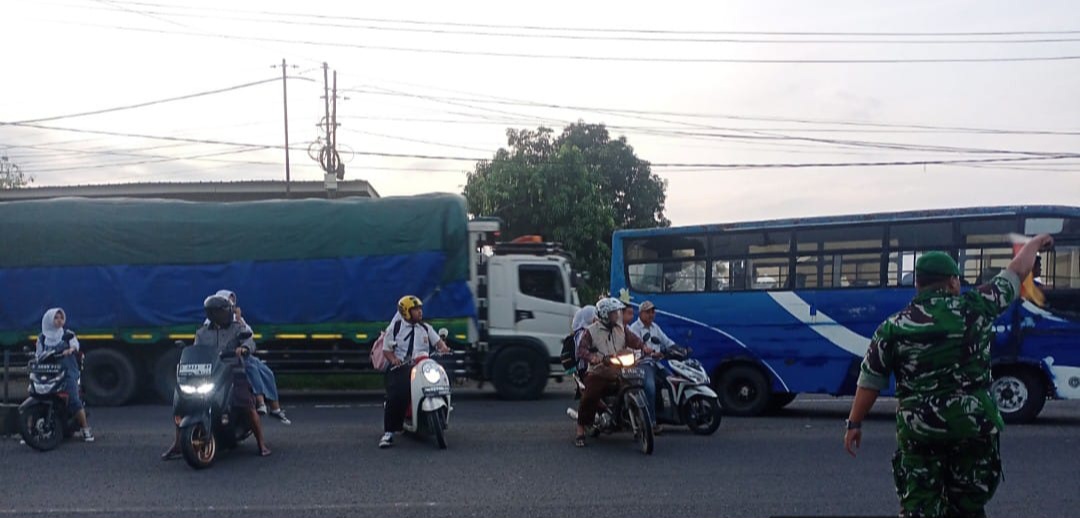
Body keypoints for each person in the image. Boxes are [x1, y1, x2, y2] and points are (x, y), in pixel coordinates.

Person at [844, 234, 1054, 518]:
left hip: (920, 430)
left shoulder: (893, 327)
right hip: (972, 426)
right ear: (953, 281)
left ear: (918, 284)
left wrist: (854, 423)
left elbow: (869, 380)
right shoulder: (976, 308)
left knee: (919, 506)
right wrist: (1035, 243)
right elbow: (1017, 270)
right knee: (968, 506)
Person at [163, 295, 271, 459]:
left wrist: (243, 349)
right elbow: (196, 350)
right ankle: (178, 444)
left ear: (227, 312)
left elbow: (250, 341)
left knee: (246, 404)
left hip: (233, 370)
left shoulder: (237, 328)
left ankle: (261, 443)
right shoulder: (202, 332)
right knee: (180, 405)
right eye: (213, 312)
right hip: (209, 373)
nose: (217, 315)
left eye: (220, 312)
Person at [573, 297, 650, 447]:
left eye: (617, 313)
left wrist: (644, 347)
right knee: (590, 396)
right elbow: (581, 350)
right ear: (604, 314)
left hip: (619, 369)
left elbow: (633, 339)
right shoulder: (591, 331)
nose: (617, 316)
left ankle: (632, 417)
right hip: (598, 371)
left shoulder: (620, 328)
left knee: (635, 384)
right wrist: (593, 357)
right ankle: (580, 429)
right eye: (614, 313)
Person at [378, 295, 449, 449]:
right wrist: (394, 360)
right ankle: (389, 433)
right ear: (406, 312)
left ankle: (443, 410)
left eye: (420, 309)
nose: (420, 312)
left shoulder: (425, 328)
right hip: (402, 366)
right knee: (397, 394)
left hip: (423, 365)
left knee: (442, 378)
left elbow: (438, 343)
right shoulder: (395, 328)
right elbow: (386, 350)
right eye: (415, 309)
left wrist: (444, 348)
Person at [213, 290, 290, 424]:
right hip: (219, 360)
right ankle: (260, 402)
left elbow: (249, 336)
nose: (231, 305)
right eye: (228, 302)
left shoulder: (236, 320)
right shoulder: (209, 323)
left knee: (266, 371)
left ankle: (275, 408)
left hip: (238, 356)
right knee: (252, 367)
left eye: (233, 302)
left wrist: (239, 322)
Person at [36, 308, 94, 442]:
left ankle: (85, 429)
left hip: (67, 371)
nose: (59, 320)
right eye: (56, 318)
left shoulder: (68, 334)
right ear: (49, 320)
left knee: (73, 399)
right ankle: (31, 430)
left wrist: (71, 350)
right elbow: (38, 354)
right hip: (48, 372)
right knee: (37, 397)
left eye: (61, 318)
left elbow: (75, 345)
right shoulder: (42, 337)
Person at [628, 301, 675, 432]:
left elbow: (666, 341)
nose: (651, 315)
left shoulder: (655, 328)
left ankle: (674, 415)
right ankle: (651, 422)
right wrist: (647, 351)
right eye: (648, 312)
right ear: (641, 313)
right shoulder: (634, 329)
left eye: (652, 312)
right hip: (643, 364)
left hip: (656, 364)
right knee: (650, 387)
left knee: (673, 381)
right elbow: (633, 349)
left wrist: (677, 349)